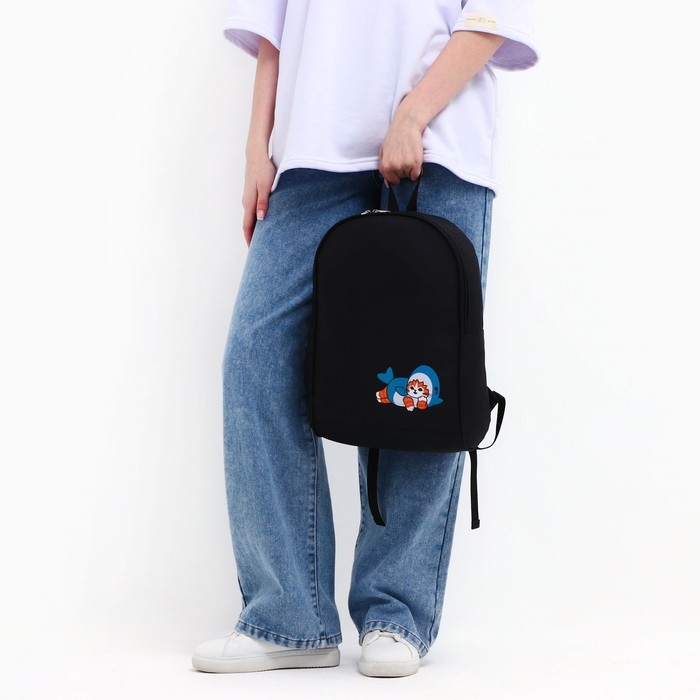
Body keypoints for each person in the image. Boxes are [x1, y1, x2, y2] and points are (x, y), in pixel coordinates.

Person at [192, 0, 537, 678]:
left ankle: (395, 614)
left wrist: (413, 114)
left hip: (439, 139)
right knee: (255, 361)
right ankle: (288, 618)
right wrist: (257, 146)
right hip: (311, 150)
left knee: (417, 383)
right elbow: (273, 23)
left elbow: (492, 16)